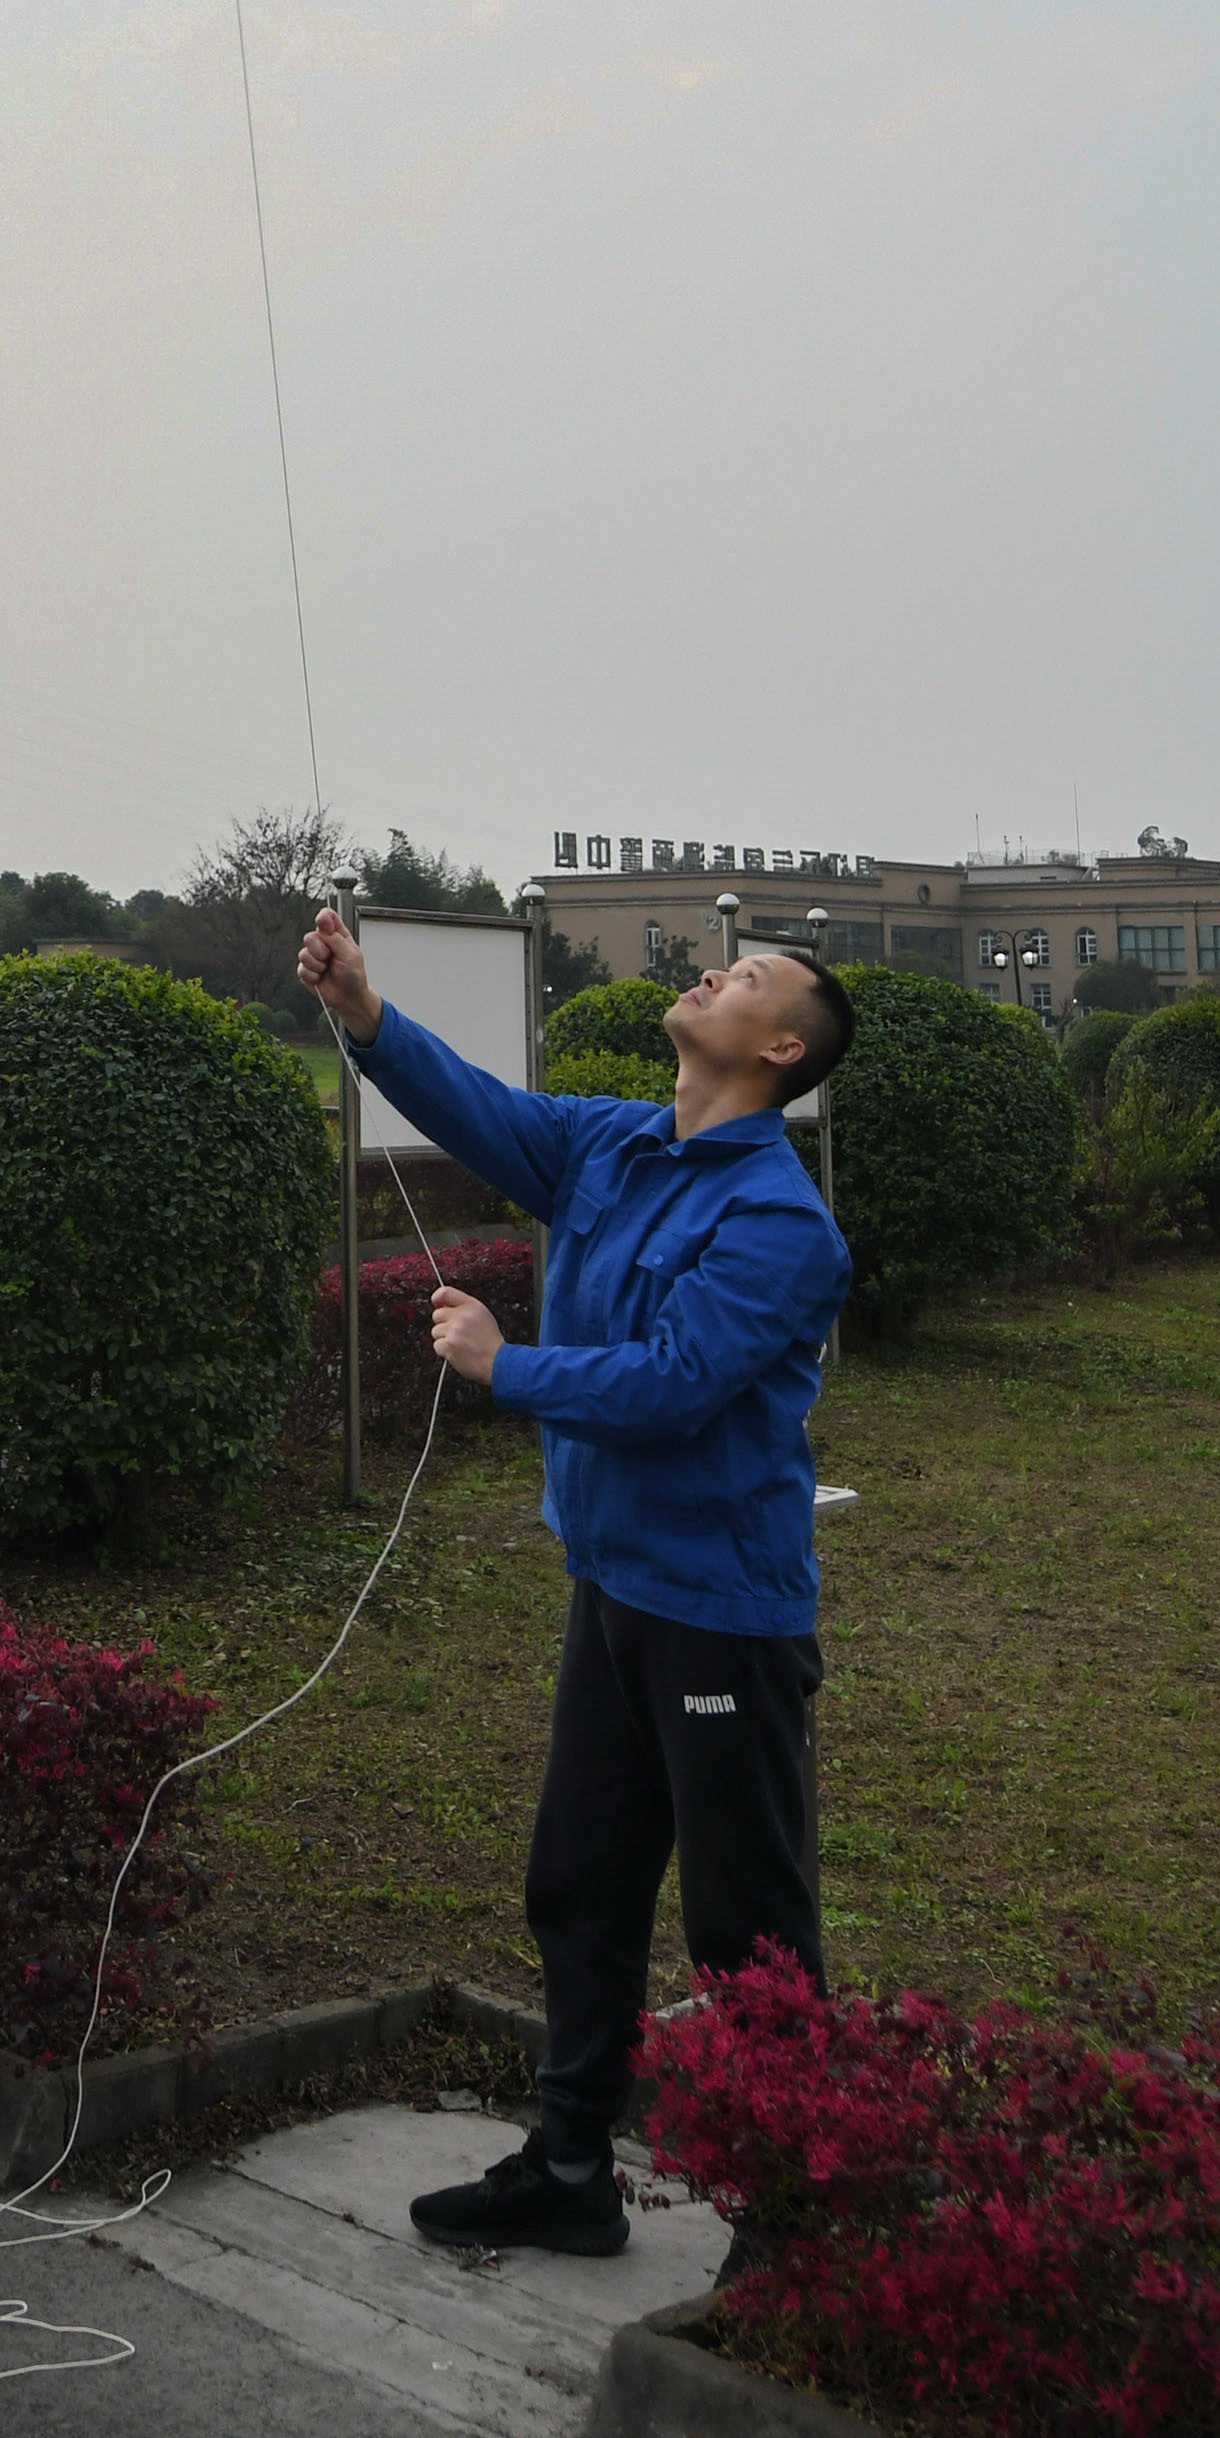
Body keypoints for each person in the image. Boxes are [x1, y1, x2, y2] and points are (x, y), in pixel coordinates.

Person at [293, 899, 855, 2257]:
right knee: (579, 1886)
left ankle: (800, 2230)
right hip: (611, 1593)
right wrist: (361, 1015)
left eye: (749, 977)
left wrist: (504, 1366)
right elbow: (483, 1113)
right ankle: (566, 2169)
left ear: (779, 1050)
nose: (714, 972)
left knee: (748, 1936)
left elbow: (671, 1386)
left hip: (720, 1617)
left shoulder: (780, 1223)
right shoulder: (614, 1144)